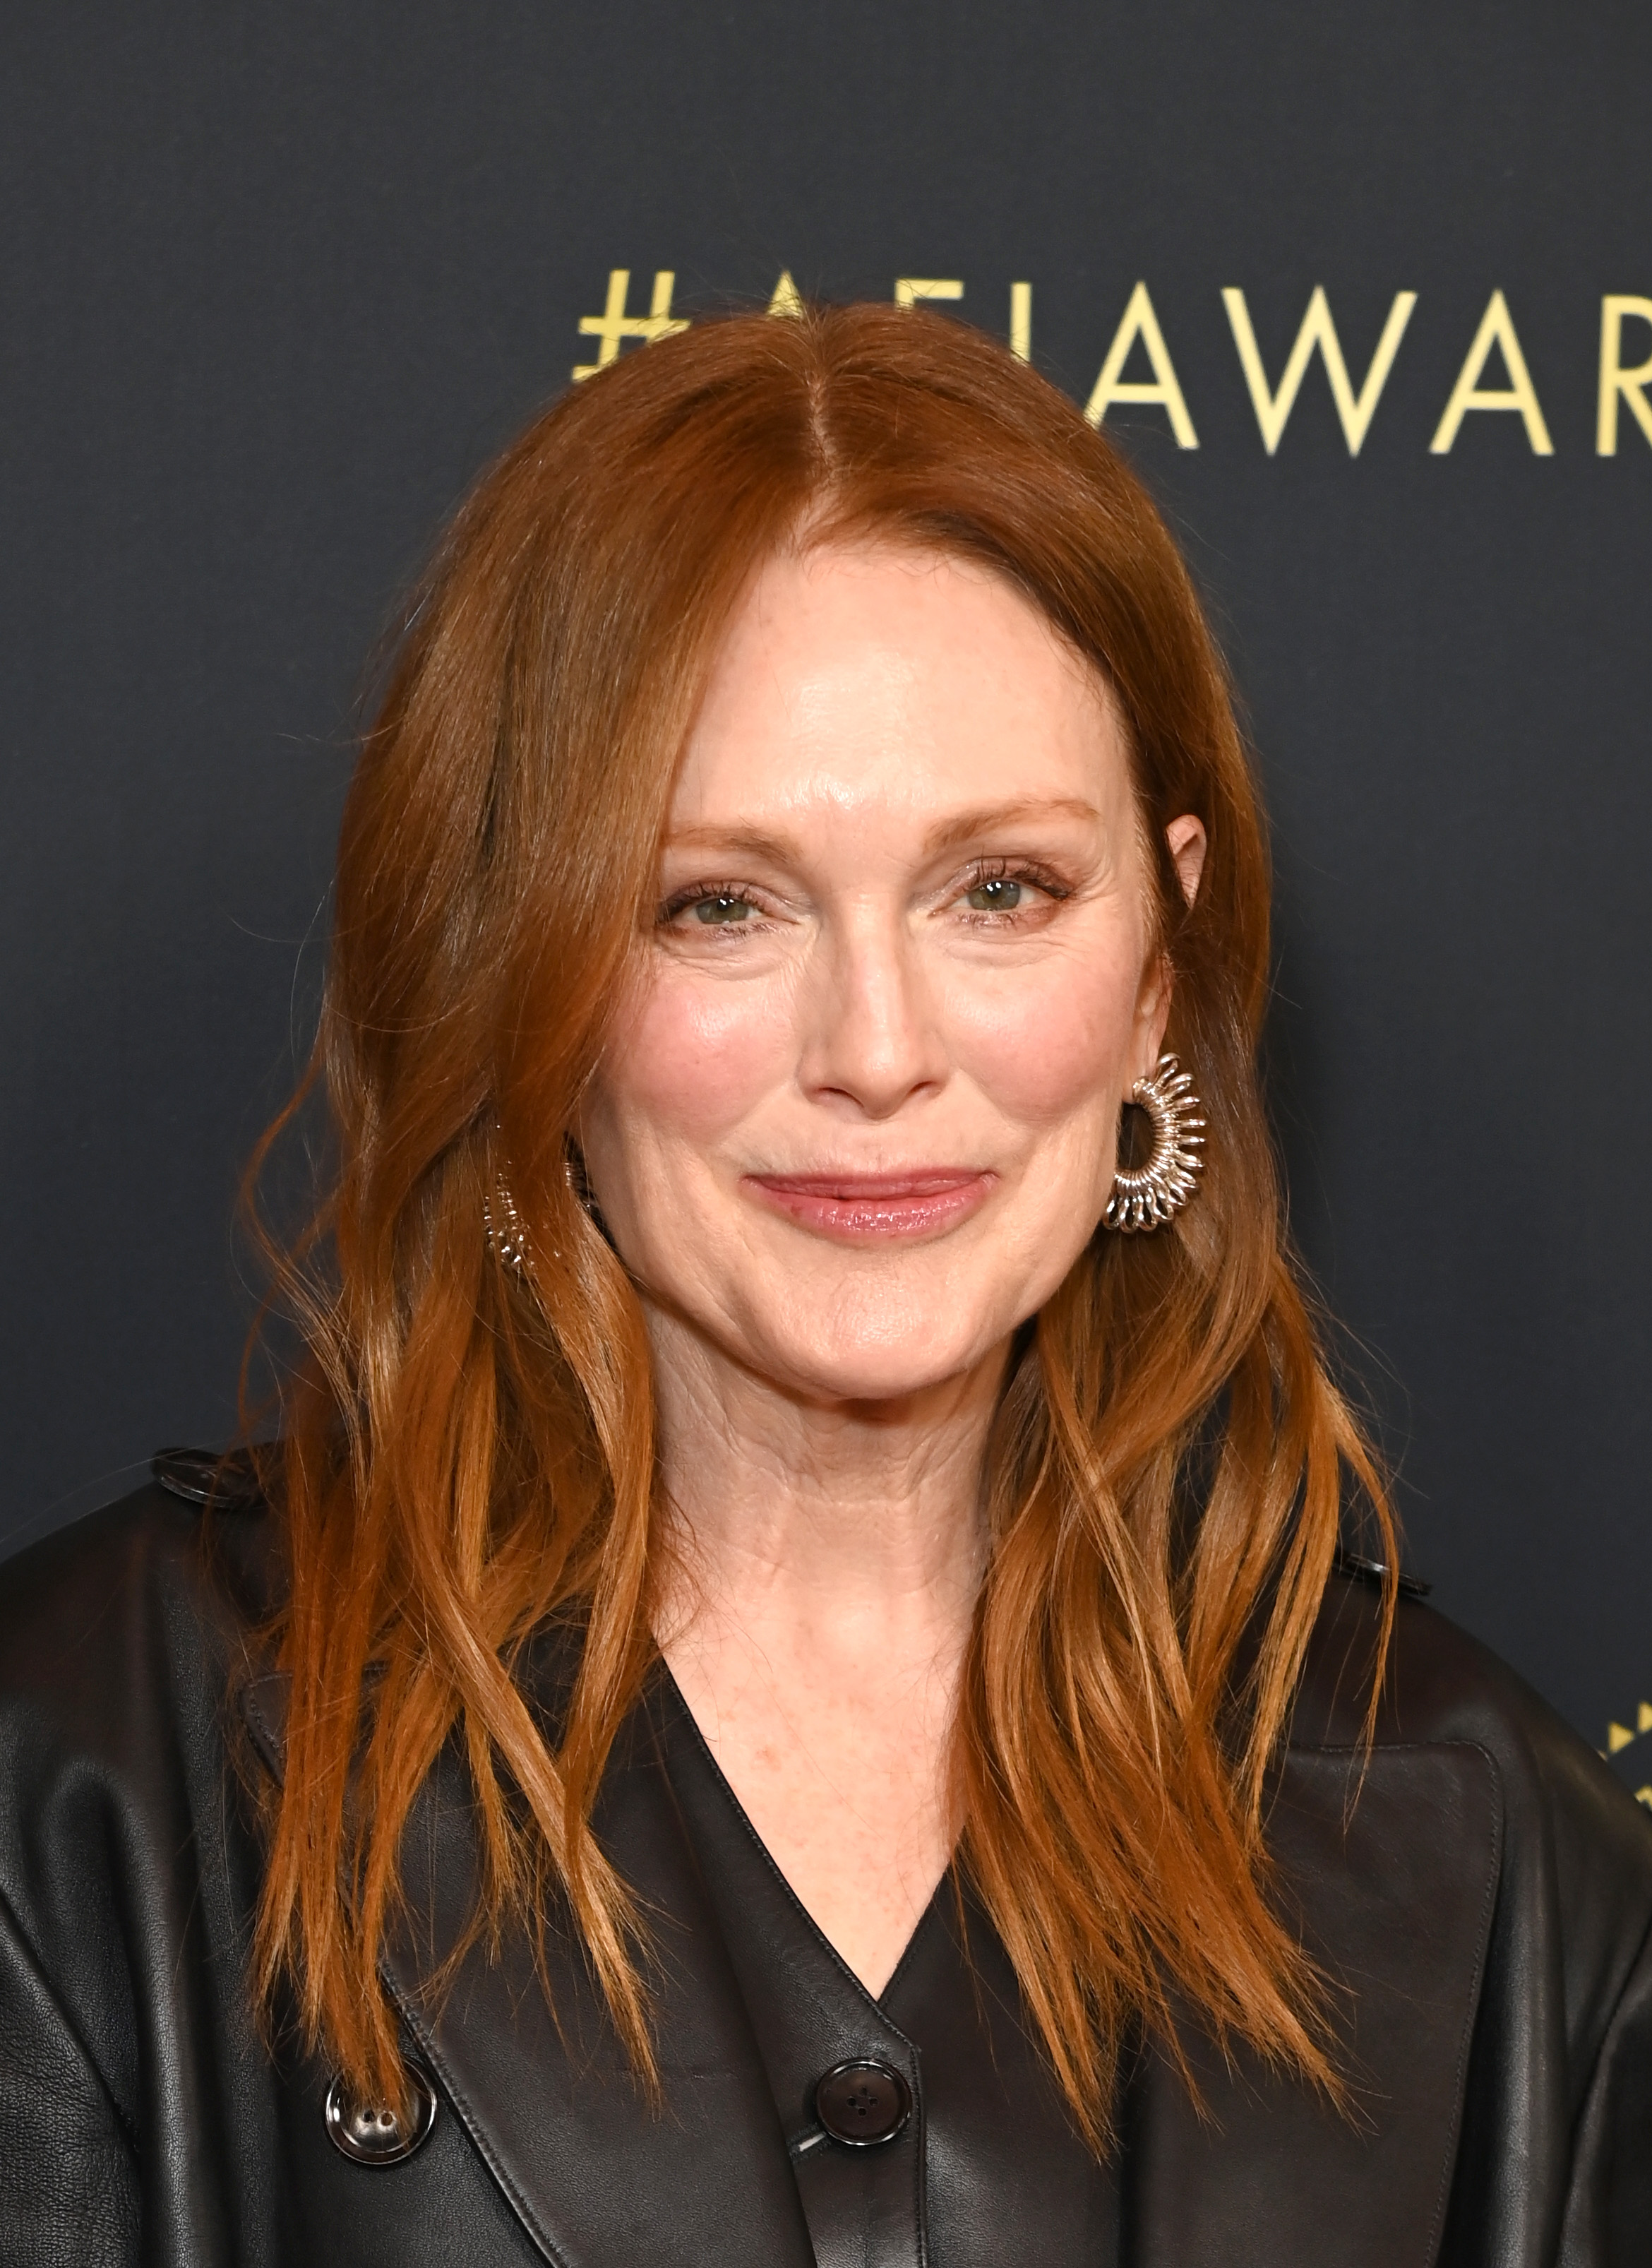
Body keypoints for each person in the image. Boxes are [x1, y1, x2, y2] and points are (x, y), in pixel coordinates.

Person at [0, 303, 1647, 2268]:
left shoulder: (1499, 1861)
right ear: (522, 978)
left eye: (1000, 890)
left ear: (1155, 961)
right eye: (718, 903)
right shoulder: (90, 1773)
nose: (875, 1047)